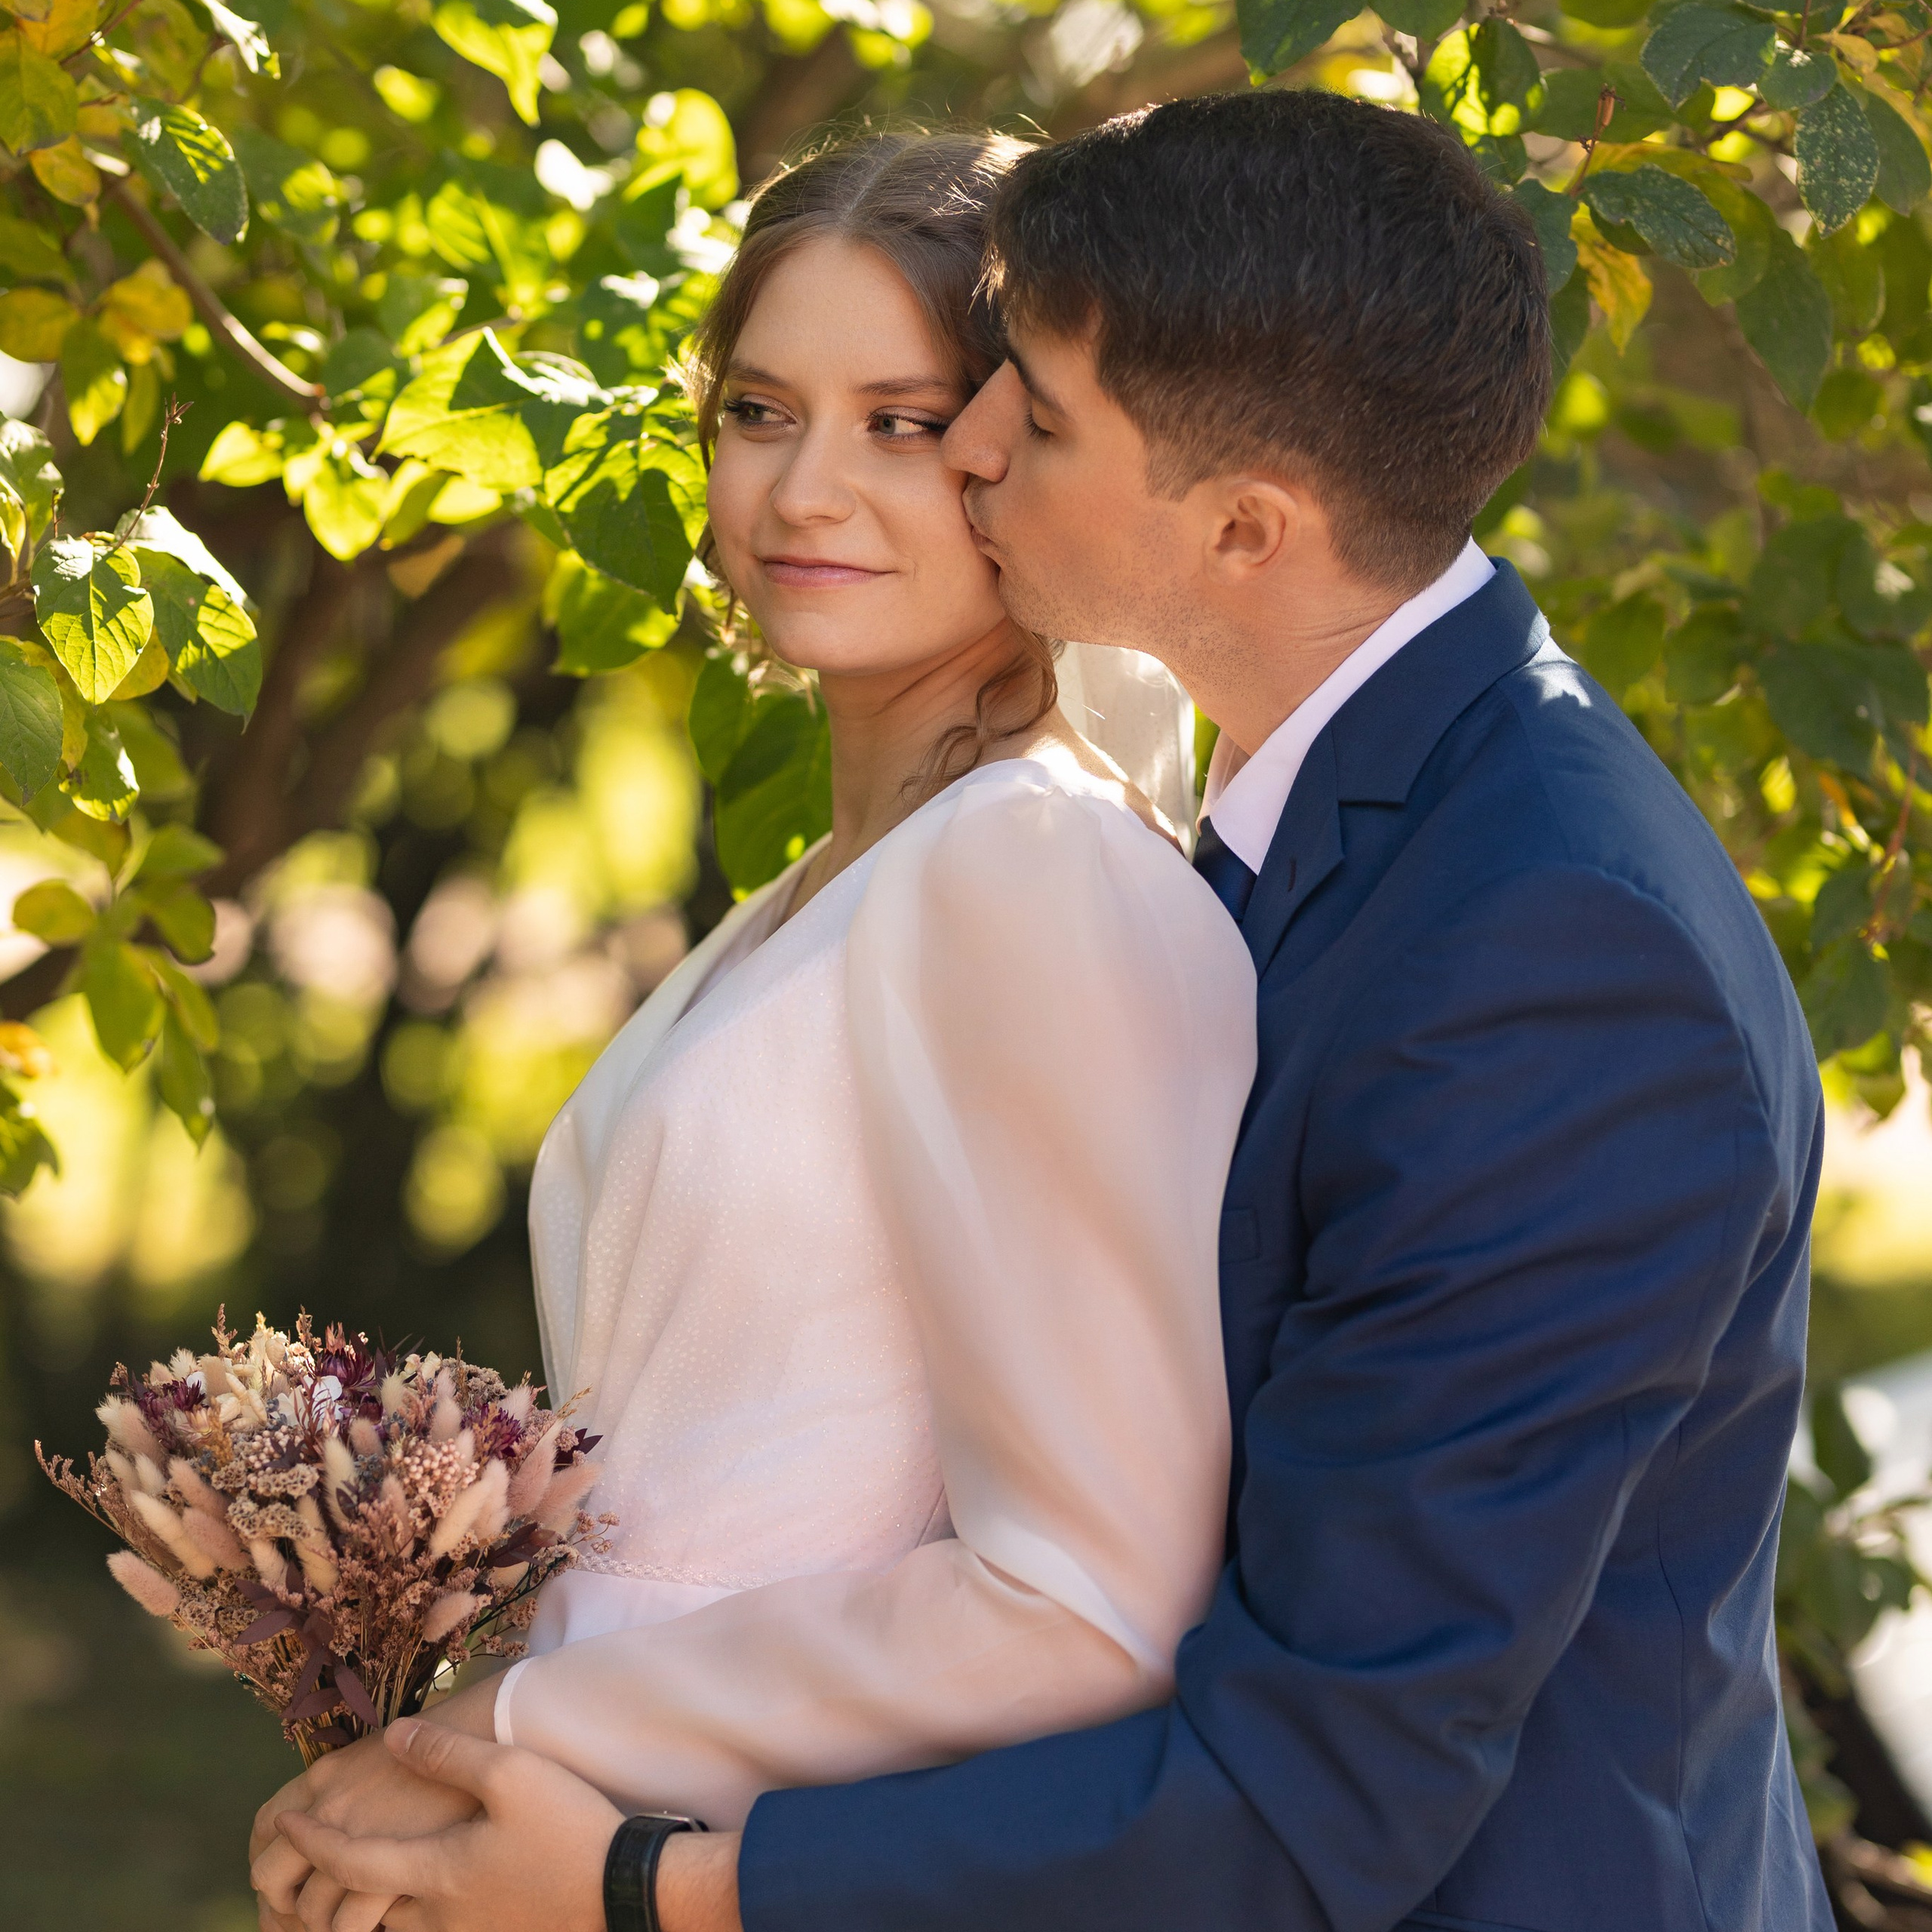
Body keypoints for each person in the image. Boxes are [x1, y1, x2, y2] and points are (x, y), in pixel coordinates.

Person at [262, 89, 1835, 1932]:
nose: (976, 449)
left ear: (1245, 525)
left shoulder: (1553, 948)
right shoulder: (1305, 822)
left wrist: (637, 1872)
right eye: (757, 410)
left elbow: (1320, 1753)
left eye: (1009, 414)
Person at [251, 129, 1254, 1932]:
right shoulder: (823, 886)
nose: (804, 490)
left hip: (755, 1858)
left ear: (1018, 450)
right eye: (756, 409)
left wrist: (510, 1735)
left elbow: (1087, 1597)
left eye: (898, 420)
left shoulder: (1027, 868)